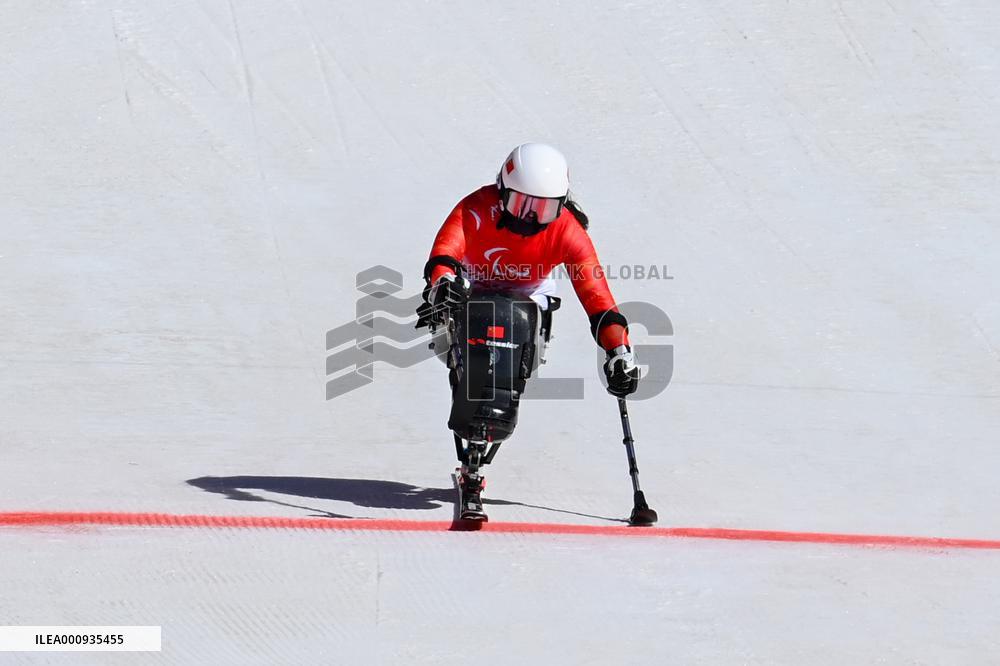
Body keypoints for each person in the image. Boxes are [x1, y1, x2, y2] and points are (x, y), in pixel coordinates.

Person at [415, 142, 640, 519]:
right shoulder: (475, 208)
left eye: (545, 209)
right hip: (472, 290)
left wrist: (619, 351)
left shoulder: (568, 232)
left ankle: (489, 419)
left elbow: (598, 300)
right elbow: (445, 251)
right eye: (523, 205)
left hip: (527, 301)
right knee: (478, 322)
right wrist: (442, 282)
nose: (532, 219)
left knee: (511, 328)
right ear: (502, 191)